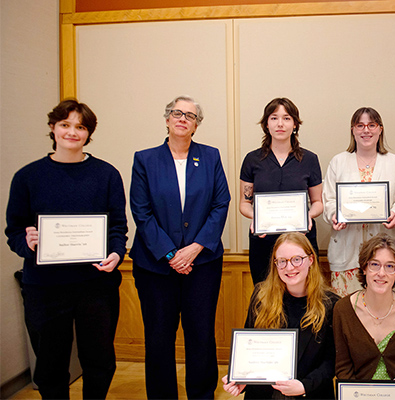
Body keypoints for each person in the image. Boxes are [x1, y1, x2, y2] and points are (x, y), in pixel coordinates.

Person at [5, 99, 128, 399]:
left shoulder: (106, 174)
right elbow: (14, 230)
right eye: (65, 125)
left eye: (80, 127)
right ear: (53, 128)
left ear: (88, 133)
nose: (72, 132)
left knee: (99, 361)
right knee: (49, 365)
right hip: (45, 288)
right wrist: (28, 242)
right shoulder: (28, 176)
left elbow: (117, 226)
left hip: (96, 285)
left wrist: (115, 253)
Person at [129, 95, 230, 399]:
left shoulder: (210, 157)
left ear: (197, 125)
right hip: (155, 266)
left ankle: (201, 395)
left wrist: (195, 247)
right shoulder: (145, 159)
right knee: (159, 338)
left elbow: (220, 204)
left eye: (190, 115)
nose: (183, 118)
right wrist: (172, 254)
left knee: (201, 335)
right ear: (167, 119)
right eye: (177, 113)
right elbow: (141, 211)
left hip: (202, 263)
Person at [222, 232, 339, 399]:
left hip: (310, 392)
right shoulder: (261, 296)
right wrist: (242, 377)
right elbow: (249, 346)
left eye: (297, 259)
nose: (289, 268)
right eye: (282, 261)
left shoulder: (331, 304)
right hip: (264, 393)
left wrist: (304, 386)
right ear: (275, 264)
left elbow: (332, 360)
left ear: (311, 260)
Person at [323, 107, 395, 296]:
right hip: (346, 252)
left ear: (380, 129)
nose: (366, 130)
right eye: (360, 125)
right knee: (346, 312)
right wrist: (334, 215)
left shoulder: (394, 163)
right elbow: (329, 199)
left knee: (380, 310)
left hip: (383, 255)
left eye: (372, 125)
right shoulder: (338, 162)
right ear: (353, 130)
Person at [240, 98, 323, 285]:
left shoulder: (309, 159)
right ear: (266, 124)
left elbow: (318, 203)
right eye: (274, 118)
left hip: (302, 239)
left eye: (286, 118)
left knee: (304, 294)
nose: (280, 124)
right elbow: (244, 204)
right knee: (264, 295)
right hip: (263, 240)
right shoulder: (252, 160)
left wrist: (307, 216)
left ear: (295, 124)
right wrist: (257, 218)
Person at [333, 233, 395, 399]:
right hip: (357, 396)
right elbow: (342, 367)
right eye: (374, 264)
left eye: (390, 266)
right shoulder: (342, 309)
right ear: (364, 268)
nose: (381, 273)